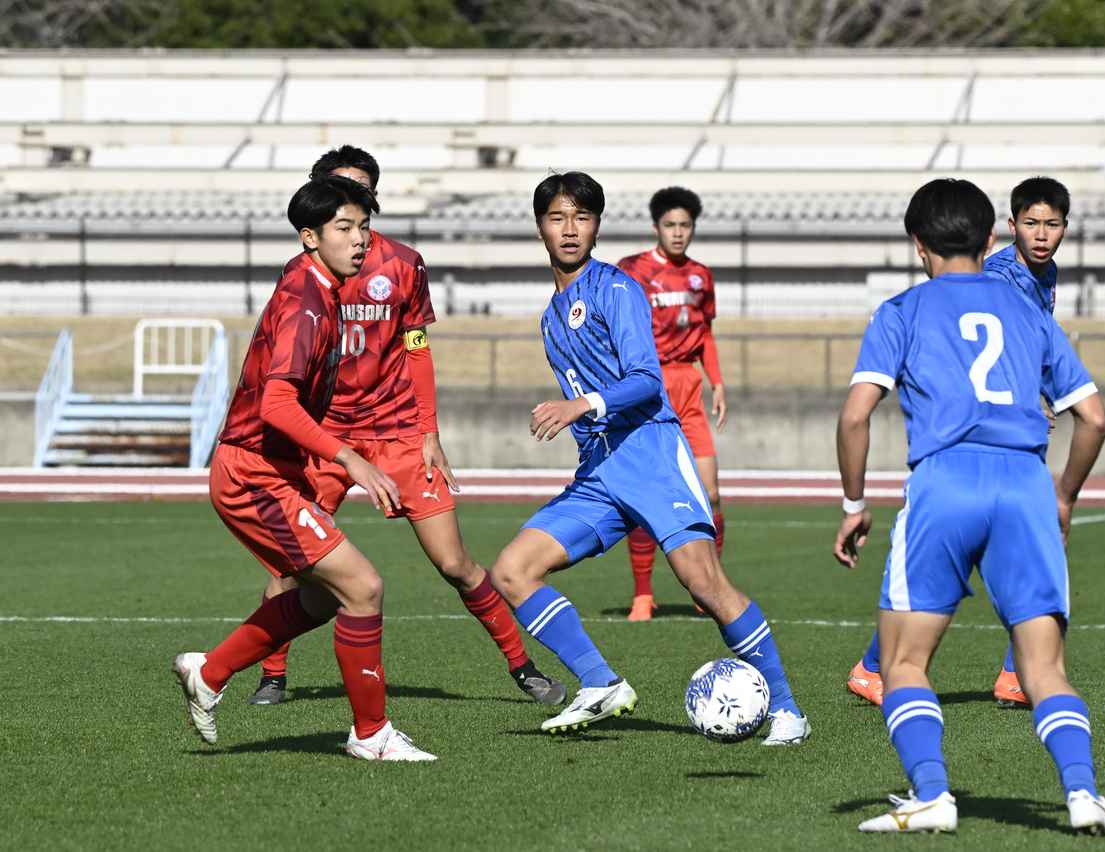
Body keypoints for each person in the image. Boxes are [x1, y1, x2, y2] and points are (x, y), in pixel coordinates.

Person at [834, 178, 1105, 833]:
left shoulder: (902, 310)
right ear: (993, 238)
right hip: (1024, 484)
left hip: (944, 483)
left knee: (903, 662)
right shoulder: (1030, 313)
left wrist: (854, 504)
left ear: (917, 245)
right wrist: (1065, 496)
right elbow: (1095, 419)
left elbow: (856, 417)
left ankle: (933, 794)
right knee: (1043, 667)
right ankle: (1081, 795)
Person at [487, 171, 809, 744]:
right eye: (557, 217)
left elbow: (646, 380)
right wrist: (583, 423)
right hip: (599, 471)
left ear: (597, 226)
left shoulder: (615, 289)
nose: (569, 229)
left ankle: (786, 709)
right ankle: (600, 683)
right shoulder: (549, 315)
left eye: (581, 218)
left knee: (701, 581)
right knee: (512, 571)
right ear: (540, 227)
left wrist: (578, 405)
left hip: (651, 452)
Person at [246, 146, 565, 708]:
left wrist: (429, 432)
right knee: (289, 563)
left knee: (455, 563)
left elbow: (416, 348)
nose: (353, 207)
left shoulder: (403, 264)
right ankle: (272, 675)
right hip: (327, 438)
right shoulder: (300, 277)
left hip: (395, 433)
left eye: (362, 193)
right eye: (339, 194)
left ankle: (523, 667)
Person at [173, 176, 435, 761]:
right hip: (253, 475)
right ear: (309, 237)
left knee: (321, 599)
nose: (360, 240)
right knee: (363, 587)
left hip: (273, 469)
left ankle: (209, 673)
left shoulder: (316, 285)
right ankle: (372, 735)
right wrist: (350, 459)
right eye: (345, 228)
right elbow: (275, 403)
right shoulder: (308, 303)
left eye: (364, 226)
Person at [847, 176, 1074, 709]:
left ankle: (887, 665)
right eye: (1032, 224)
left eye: (1053, 224)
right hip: (977, 446)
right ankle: (1016, 672)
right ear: (1004, 230)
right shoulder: (993, 277)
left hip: (992, 444)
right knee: (1007, 549)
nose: (1041, 236)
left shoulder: (1043, 273)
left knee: (946, 562)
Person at [617, 187, 726, 621]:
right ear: (656, 227)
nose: (678, 233)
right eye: (670, 225)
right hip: (649, 385)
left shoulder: (701, 275)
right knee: (647, 493)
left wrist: (717, 382)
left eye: (685, 226)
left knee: (711, 493)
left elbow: (706, 335)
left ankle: (709, 587)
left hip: (689, 385)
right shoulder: (633, 271)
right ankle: (643, 594)